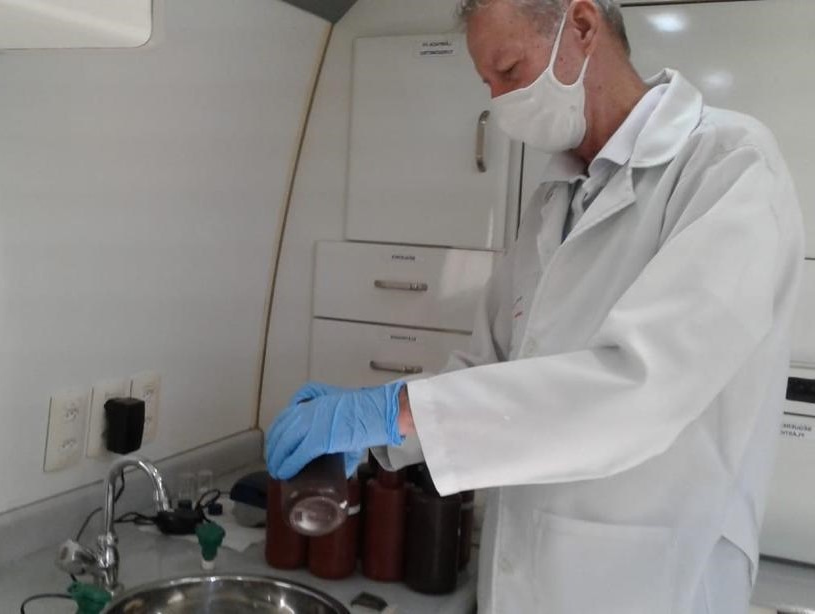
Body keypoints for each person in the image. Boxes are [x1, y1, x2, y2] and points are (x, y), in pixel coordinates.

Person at [266, 0, 805, 611]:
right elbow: (491, 368)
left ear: (582, 26)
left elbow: (640, 391)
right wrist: (374, 433)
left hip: (650, 583)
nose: (500, 104)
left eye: (509, 71)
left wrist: (396, 411)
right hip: (524, 579)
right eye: (488, 85)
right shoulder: (556, 197)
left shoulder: (729, 166)